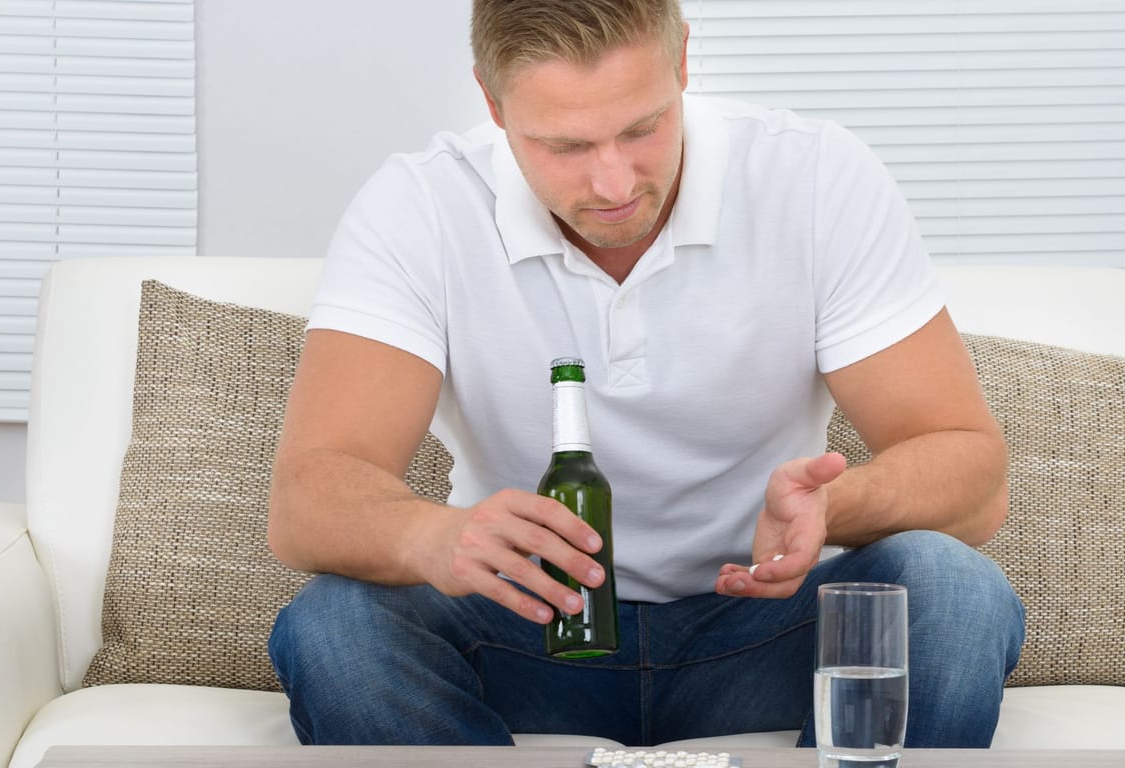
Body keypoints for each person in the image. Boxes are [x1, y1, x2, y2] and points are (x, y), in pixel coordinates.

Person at [266, 0, 1025, 749]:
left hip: (765, 625)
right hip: (530, 628)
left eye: (642, 127)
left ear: (683, 60)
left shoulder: (814, 176)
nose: (613, 182)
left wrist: (835, 504)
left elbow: (973, 475)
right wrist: (435, 536)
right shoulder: (420, 205)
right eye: (564, 145)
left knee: (954, 590)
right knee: (335, 625)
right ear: (493, 104)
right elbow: (309, 497)